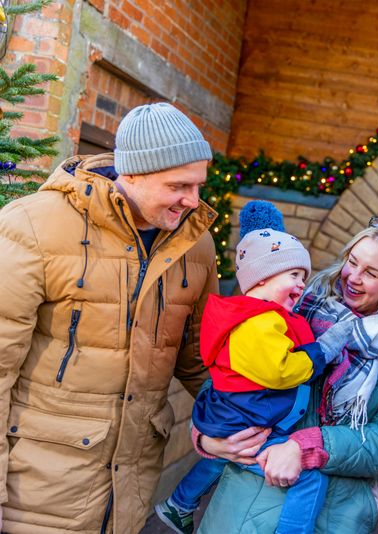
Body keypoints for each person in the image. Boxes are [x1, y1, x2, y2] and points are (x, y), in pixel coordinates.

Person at [0, 102, 217, 533]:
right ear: (131, 173)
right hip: (38, 495)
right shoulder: (32, 228)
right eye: (179, 185)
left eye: (198, 185)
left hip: (128, 497)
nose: (193, 201)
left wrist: (247, 422)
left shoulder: (195, 245)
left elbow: (199, 358)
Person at [196, 216, 378, 533]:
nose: (353, 278)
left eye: (370, 273)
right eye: (352, 262)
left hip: (336, 514)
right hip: (244, 508)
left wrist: (306, 446)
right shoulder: (297, 304)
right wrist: (208, 437)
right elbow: (229, 372)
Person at [155, 215, 355, 534]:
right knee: (309, 479)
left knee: (223, 456)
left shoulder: (245, 316)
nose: (302, 284)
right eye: (293, 274)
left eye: (304, 276)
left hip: (231, 414)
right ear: (262, 279)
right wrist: (321, 352)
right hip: (246, 417)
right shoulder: (260, 322)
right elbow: (281, 371)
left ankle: (179, 503)